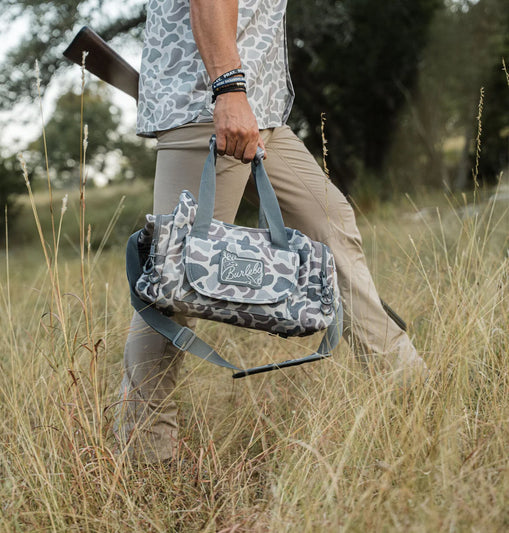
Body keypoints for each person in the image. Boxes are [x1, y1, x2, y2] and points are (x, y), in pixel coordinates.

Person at [114, 0, 428, 463]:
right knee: (174, 283)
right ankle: (146, 455)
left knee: (328, 223)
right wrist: (227, 89)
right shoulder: (224, 95)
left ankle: (408, 387)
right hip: (214, 108)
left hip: (260, 112)